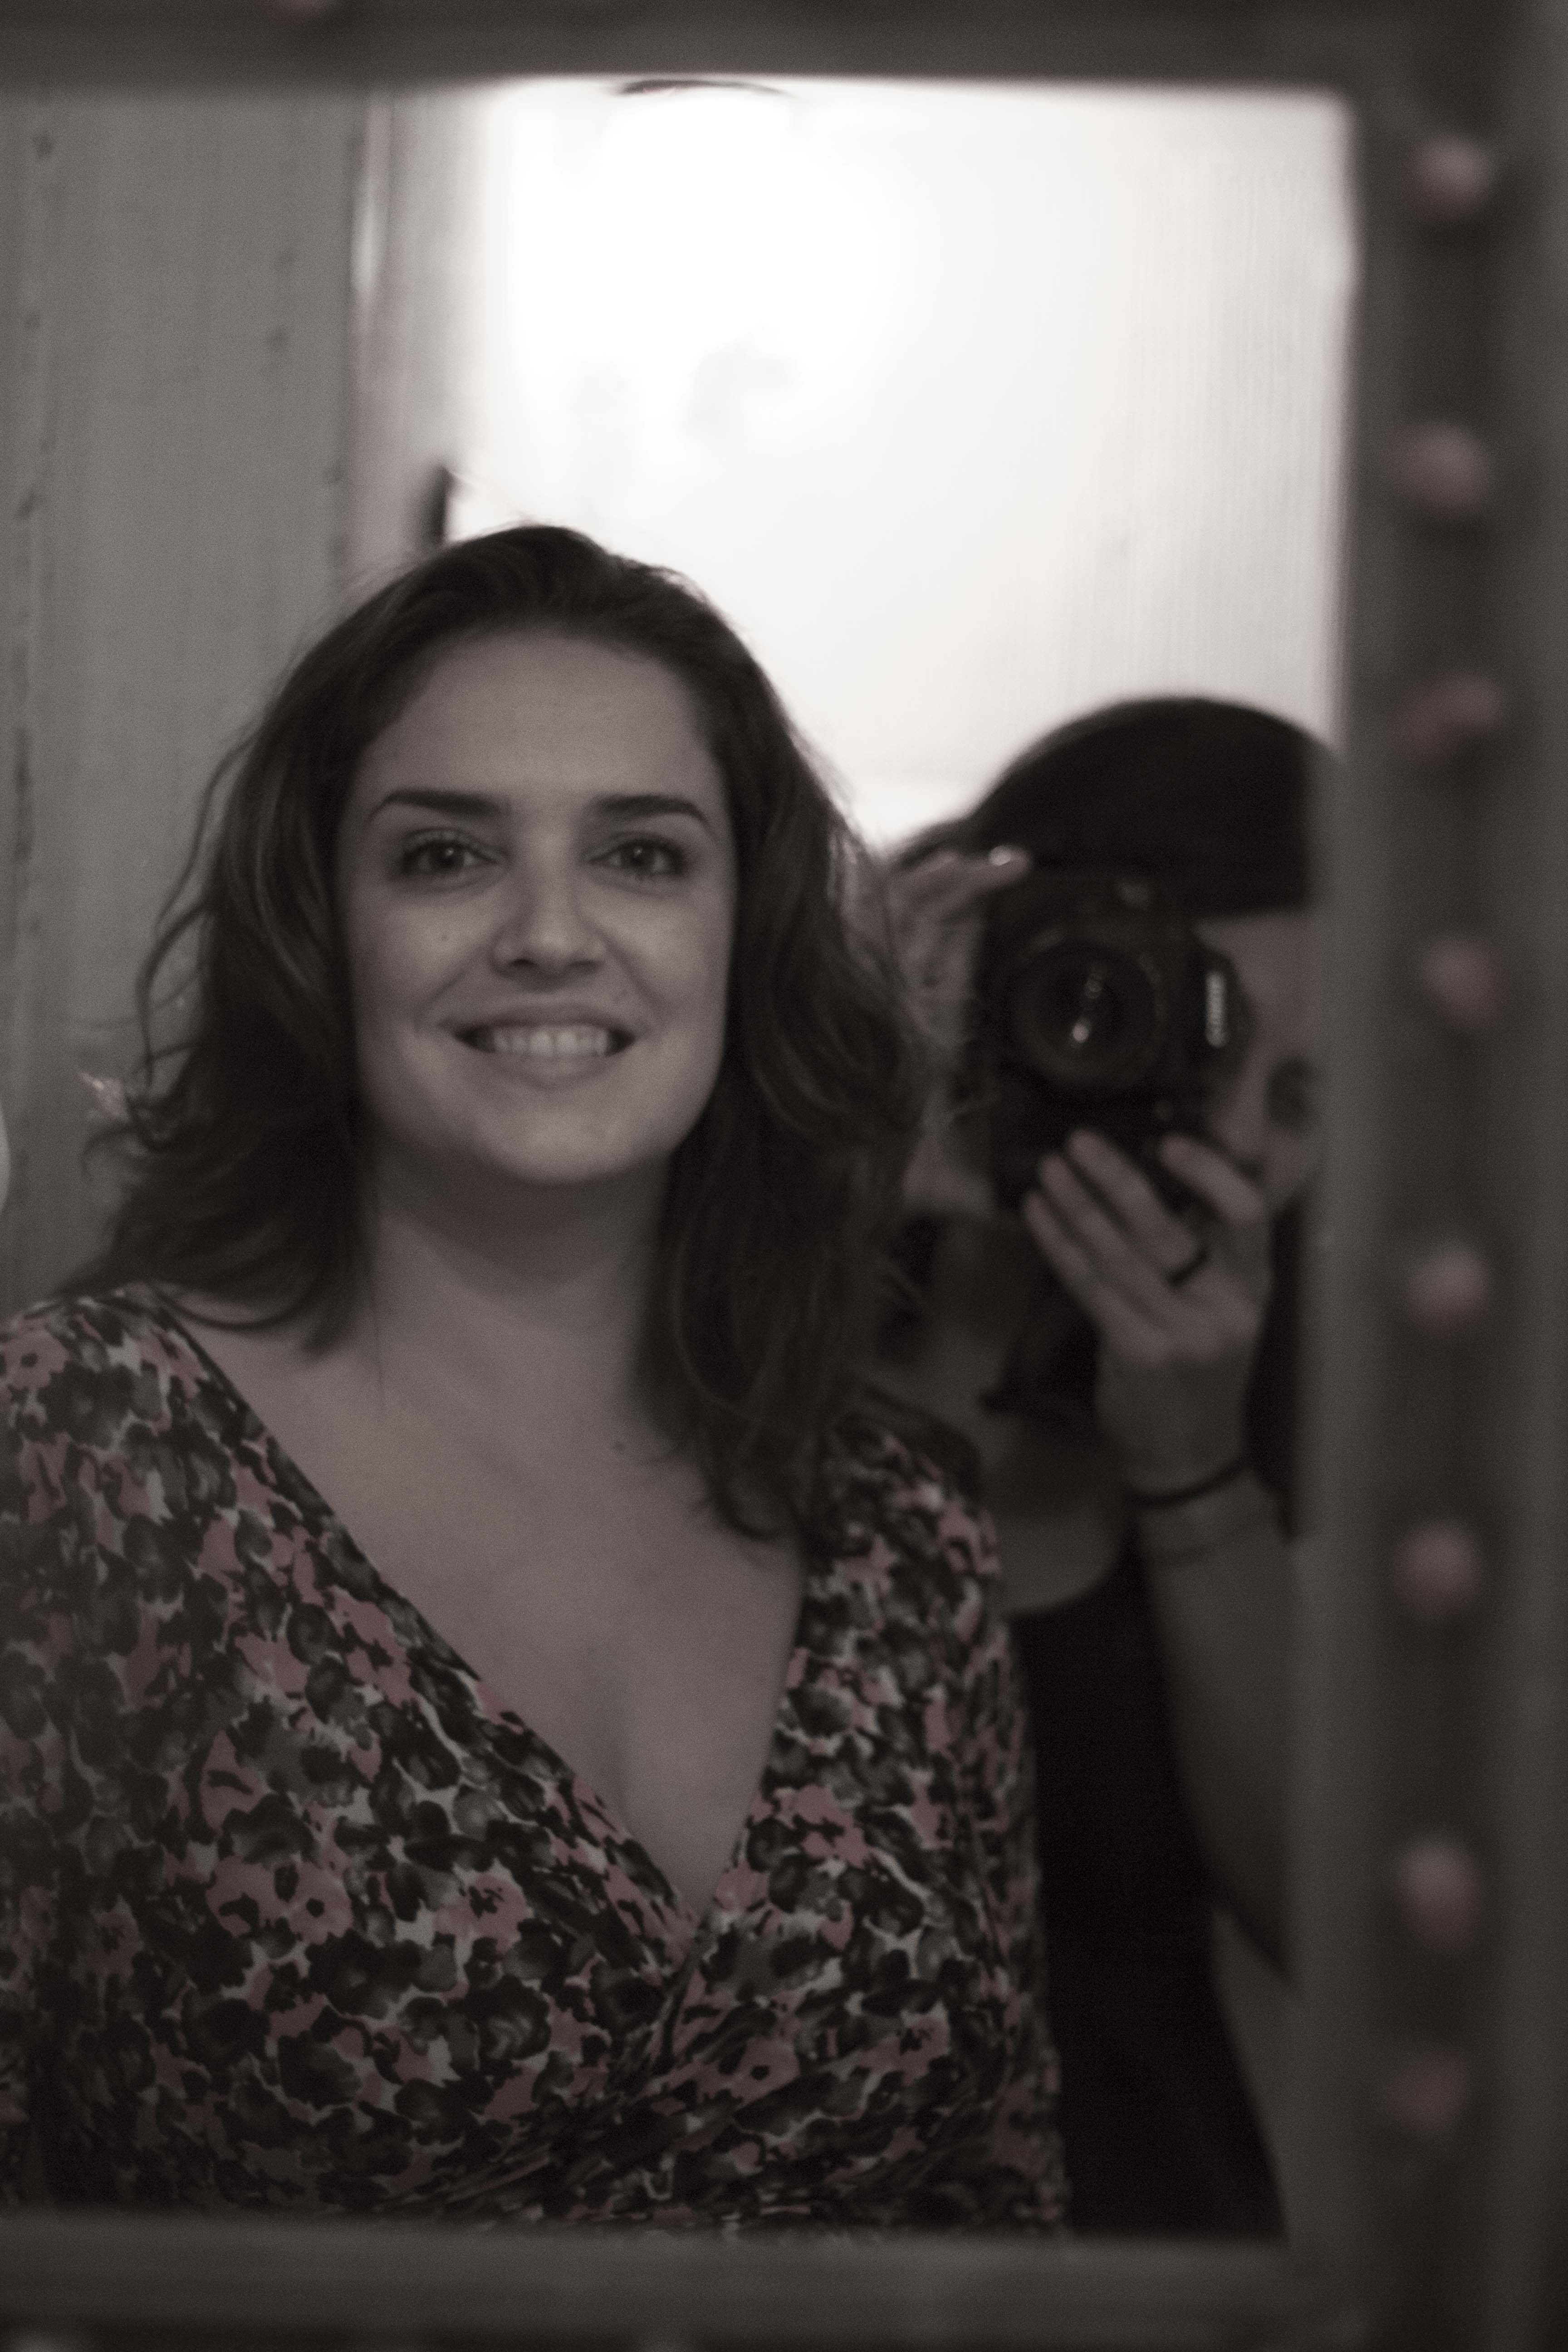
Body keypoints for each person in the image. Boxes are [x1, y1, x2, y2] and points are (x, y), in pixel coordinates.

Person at [0, 525, 1065, 2229]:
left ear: (746, 934)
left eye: (643, 854)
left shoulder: (902, 1529)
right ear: (322, 931)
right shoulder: (79, 1446)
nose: (552, 933)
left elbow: (999, 2210)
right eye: (446, 855)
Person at [875, 697, 1319, 2235]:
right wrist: (804, 1185)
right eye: (1192, 1036)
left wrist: (1196, 1474)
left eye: (1306, 1099)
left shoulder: (1310, 1368)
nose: (1242, 1142)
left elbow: (1335, 1932)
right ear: (991, 969)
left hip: (1154, 2252)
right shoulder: (723, 1268)